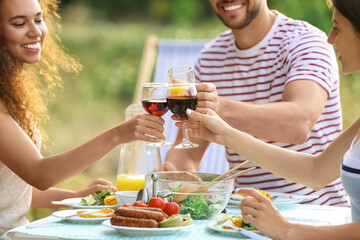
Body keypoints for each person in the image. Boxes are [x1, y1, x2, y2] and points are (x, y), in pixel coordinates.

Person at [184, 0, 360, 238]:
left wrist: (286, 230)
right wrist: (224, 134)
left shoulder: (306, 41)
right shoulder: (209, 56)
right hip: (255, 216)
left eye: (337, 27)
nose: (330, 38)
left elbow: (299, 123)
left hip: (317, 217)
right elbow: (316, 172)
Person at [0, 0, 166, 235]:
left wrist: (75, 197)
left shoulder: (10, 92)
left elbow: (16, 191)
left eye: (38, 19)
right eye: (19, 23)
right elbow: (39, 174)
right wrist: (118, 134)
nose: (36, 31)